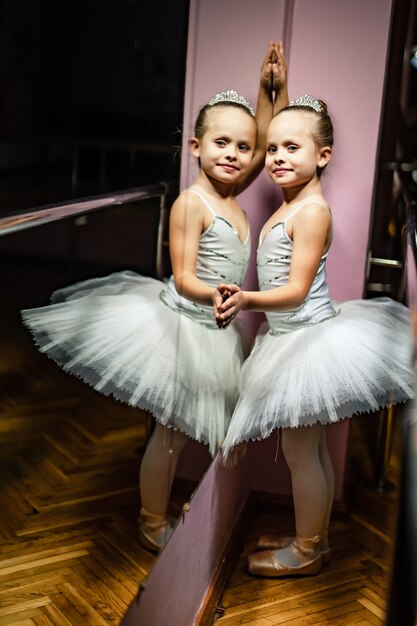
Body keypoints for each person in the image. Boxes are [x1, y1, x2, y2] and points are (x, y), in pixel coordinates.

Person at [21, 43, 289, 553]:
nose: (233, 154)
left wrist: (268, 89)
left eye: (241, 147)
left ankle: (176, 508)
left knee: (185, 435)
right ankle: (150, 520)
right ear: (195, 147)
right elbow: (182, 275)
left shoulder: (232, 193)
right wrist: (223, 293)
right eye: (220, 144)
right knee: (168, 438)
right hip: (186, 324)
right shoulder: (193, 202)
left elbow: (260, 142)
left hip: (218, 326)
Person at [216, 95, 414, 577]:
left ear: (322, 156)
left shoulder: (312, 213)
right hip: (291, 339)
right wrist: (275, 94)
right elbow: (291, 130)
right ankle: (314, 540)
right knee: (312, 452)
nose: (279, 157)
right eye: (273, 148)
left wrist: (245, 299)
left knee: (304, 455)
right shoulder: (295, 203)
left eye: (293, 148)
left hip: (306, 339)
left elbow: (296, 291)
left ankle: (306, 552)